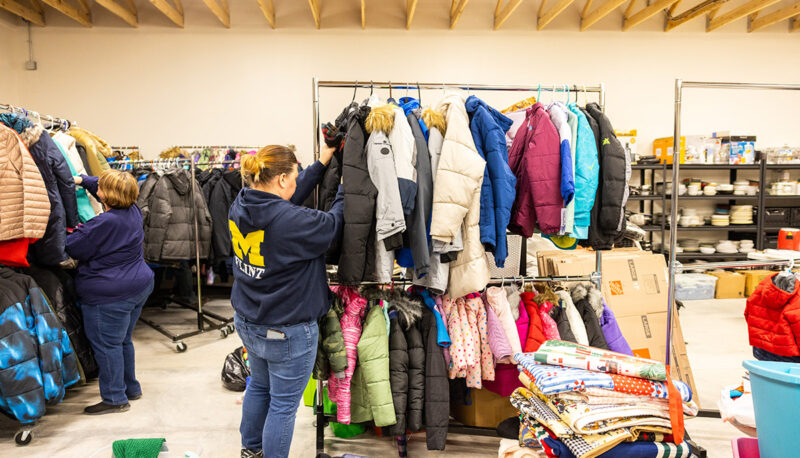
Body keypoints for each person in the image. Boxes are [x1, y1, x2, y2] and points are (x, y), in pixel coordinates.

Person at [229, 144, 343, 458]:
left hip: (250, 320)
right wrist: (349, 187)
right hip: (287, 331)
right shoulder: (294, 222)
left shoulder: (241, 203)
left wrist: (321, 163)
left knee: (259, 386)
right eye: (294, 176)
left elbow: (286, 199)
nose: (296, 182)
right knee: (282, 406)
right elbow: (332, 225)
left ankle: (251, 451)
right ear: (281, 179)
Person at [66, 169, 155, 415]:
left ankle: (115, 398)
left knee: (107, 346)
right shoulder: (133, 209)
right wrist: (83, 180)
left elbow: (72, 247)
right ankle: (130, 388)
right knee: (122, 340)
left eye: (101, 188)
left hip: (109, 294)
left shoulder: (104, 223)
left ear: (107, 196)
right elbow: (104, 187)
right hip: (139, 285)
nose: (98, 189)